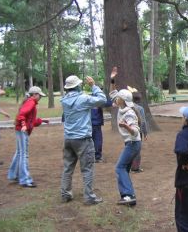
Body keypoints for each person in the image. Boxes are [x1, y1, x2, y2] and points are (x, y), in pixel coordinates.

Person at [60, 75, 107, 205]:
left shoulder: (64, 100)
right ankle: (89, 197)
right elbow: (102, 100)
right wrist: (93, 85)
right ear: (77, 86)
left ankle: (65, 194)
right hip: (83, 139)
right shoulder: (83, 99)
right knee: (87, 168)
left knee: (67, 168)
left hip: (68, 138)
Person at [109, 67, 141, 206]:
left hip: (133, 143)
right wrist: (112, 78)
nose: (116, 99)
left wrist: (125, 126)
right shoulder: (121, 106)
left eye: (118, 98)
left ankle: (128, 195)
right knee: (124, 169)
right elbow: (112, 93)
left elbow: (134, 131)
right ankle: (129, 196)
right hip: (131, 143)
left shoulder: (129, 113)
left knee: (119, 168)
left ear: (122, 100)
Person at [7, 86, 49, 187]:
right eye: (39, 95)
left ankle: (14, 175)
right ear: (34, 94)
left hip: (20, 130)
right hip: (22, 131)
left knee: (19, 153)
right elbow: (21, 115)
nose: (40, 97)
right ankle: (25, 179)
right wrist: (23, 125)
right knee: (23, 154)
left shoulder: (30, 102)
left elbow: (32, 120)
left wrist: (41, 121)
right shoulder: (31, 102)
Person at [129, 88, 149, 173]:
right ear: (139, 99)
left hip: (128, 130)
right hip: (137, 131)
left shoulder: (128, 107)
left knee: (129, 148)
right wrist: (145, 133)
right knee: (137, 149)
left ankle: (129, 165)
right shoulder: (140, 108)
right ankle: (135, 167)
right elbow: (143, 122)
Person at [91, 95, 112, 163]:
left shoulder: (87, 100)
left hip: (87, 124)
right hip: (96, 123)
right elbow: (109, 103)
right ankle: (97, 157)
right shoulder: (99, 101)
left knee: (89, 140)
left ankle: (90, 156)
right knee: (97, 140)